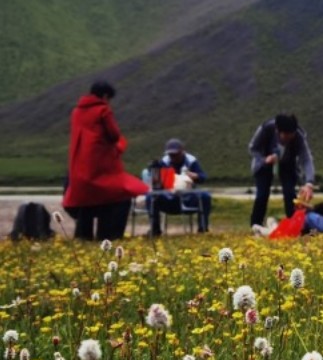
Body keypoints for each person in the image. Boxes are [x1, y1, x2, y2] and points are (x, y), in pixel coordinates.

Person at [63, 80, 148, 240]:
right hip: (100, 164)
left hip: (80, 167)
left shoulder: (76, 112)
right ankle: (109, 236)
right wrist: (121, 144)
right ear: (105, 96)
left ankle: (83, 237)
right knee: (118, 195)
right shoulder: (103, 110)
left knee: (86, 201)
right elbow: (114, 135)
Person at [248, 113, 315, 225]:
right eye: (286, 135)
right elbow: (253, 148)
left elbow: (306, 159)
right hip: (265, 162)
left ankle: (294, 224)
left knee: (290, 193)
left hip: (288, 164)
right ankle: (256, 224)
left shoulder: (298, 136)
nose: (288, 138)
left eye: (291, 135)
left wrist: (309, 182)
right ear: (277, 131)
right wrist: (264, 159)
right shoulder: (265, 129)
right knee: (262, 195)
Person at [148, 139, 212, 235]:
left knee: (205, 196)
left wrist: (196, 176)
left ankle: (202, 229)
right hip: (169, 199)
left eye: (175, 154)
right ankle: (155, 229)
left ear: (182, 151)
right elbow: (156, 184)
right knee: (150, 197)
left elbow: (203, 177)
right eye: (171, 155)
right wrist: (155, 171)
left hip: (188, 198)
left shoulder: (191, 161)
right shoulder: (164, 162)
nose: (173, 157)